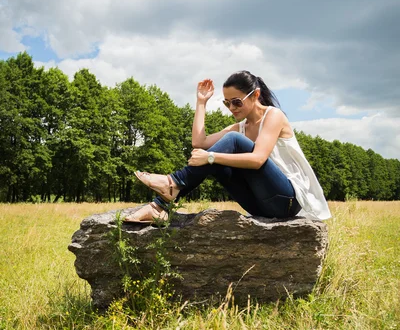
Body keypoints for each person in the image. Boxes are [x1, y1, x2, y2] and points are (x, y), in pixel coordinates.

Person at [125, 70, 331, 223]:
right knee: (222, 161)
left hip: (287, 201)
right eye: (226, 103)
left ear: (255, 95)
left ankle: (172, 184)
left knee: (230, 144)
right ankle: (160, 206)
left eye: (237, 102)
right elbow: (199, 142)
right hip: (259, 204)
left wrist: (211, 158)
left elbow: (258, 159)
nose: (231, 108)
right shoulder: (240, 127)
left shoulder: (273, 116)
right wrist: (201, 103)